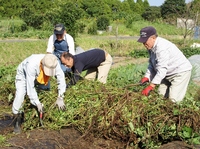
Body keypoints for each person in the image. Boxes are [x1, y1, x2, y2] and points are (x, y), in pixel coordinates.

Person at [12, 54, 66, 133]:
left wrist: (60, 96)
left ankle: (41, 116)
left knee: (45, 90)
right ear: (42, 65)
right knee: (20, 95)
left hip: (40, 74)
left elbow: (61, 78)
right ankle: (17, 120)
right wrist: (37, 103)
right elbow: (30, 87)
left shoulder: (54, 62)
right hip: (23, 75)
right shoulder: (31, 65)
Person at [137, 26, 192, 103]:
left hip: (180, 73)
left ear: (153, 38)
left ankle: (176, 114)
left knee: (173, 99)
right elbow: (152, 64)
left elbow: (162, 69)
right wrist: (147, 77)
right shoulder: (151, 47)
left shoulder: (161, 48)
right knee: (160, 96)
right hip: (167, 74)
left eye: (145, 41)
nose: (144, 44)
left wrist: (151, 86)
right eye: (143, 41)